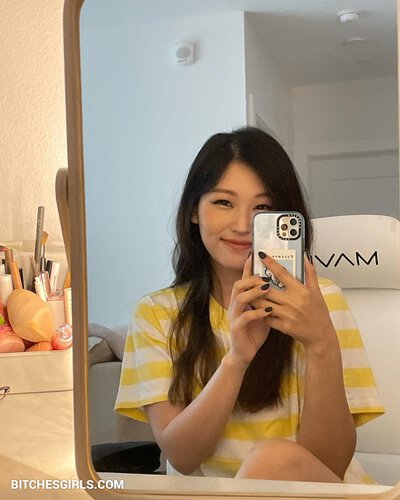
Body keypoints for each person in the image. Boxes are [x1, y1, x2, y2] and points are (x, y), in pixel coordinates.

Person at [115, 127, 384, 483]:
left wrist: (321, 344)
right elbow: (182, 456)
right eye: (224, 203)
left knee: (274, 460)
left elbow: (329, 465)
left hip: (315, 491)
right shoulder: (157, 315)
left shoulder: (322, 302)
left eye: (263, 208)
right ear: (194, 211)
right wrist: (236, 361)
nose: (244, 225)